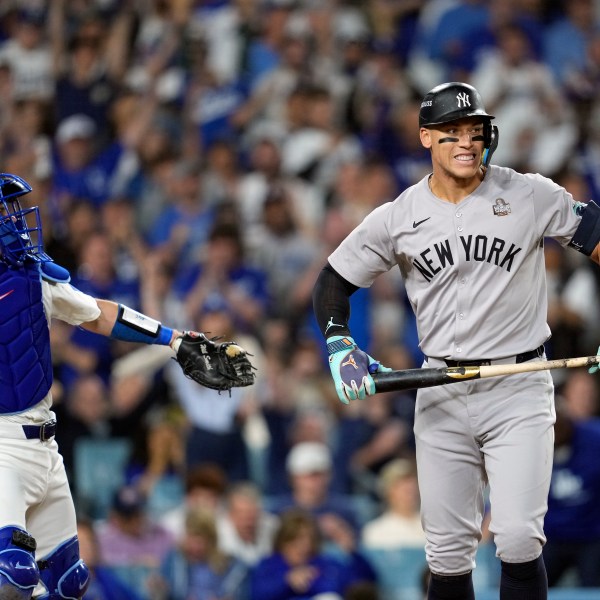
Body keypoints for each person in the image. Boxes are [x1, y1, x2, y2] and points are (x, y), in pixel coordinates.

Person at [312, 82, 600, 599]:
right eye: (451, 133)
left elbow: (596, 234)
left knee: (516, 538)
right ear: (425, 137)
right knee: (446, 554)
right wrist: (339, 343)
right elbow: (333, 282)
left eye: (474, 131)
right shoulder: (399, 215)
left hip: (519, 383)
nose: (466, 142)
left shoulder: (529, 193)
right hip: (440, 385)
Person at [0, 172, 252, 600]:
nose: (17, 221)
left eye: (13, 211)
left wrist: (172, 339)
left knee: (68, 582)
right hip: (3, 449)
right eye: (5, 213)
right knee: (12, 574)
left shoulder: (32, 279)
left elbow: (100, 313)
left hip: (47, 446)